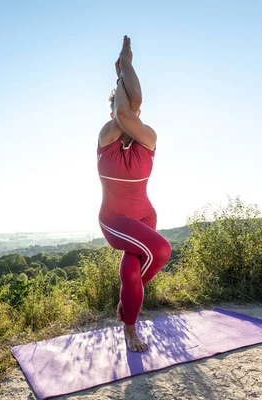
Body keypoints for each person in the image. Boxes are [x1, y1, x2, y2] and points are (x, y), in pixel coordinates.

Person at [97, 35, 172, 352]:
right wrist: (123, 67)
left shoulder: (149, 138)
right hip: (115, 220)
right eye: (123, 110)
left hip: (144, 215)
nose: (133, 115)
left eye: (135, 112)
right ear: (114, 111)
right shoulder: (106, 137)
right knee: (161, 250)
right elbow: (126, 113)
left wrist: (125, 69)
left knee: (130, 272)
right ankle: (129, 308)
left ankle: (129, 327)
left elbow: (133, 109)